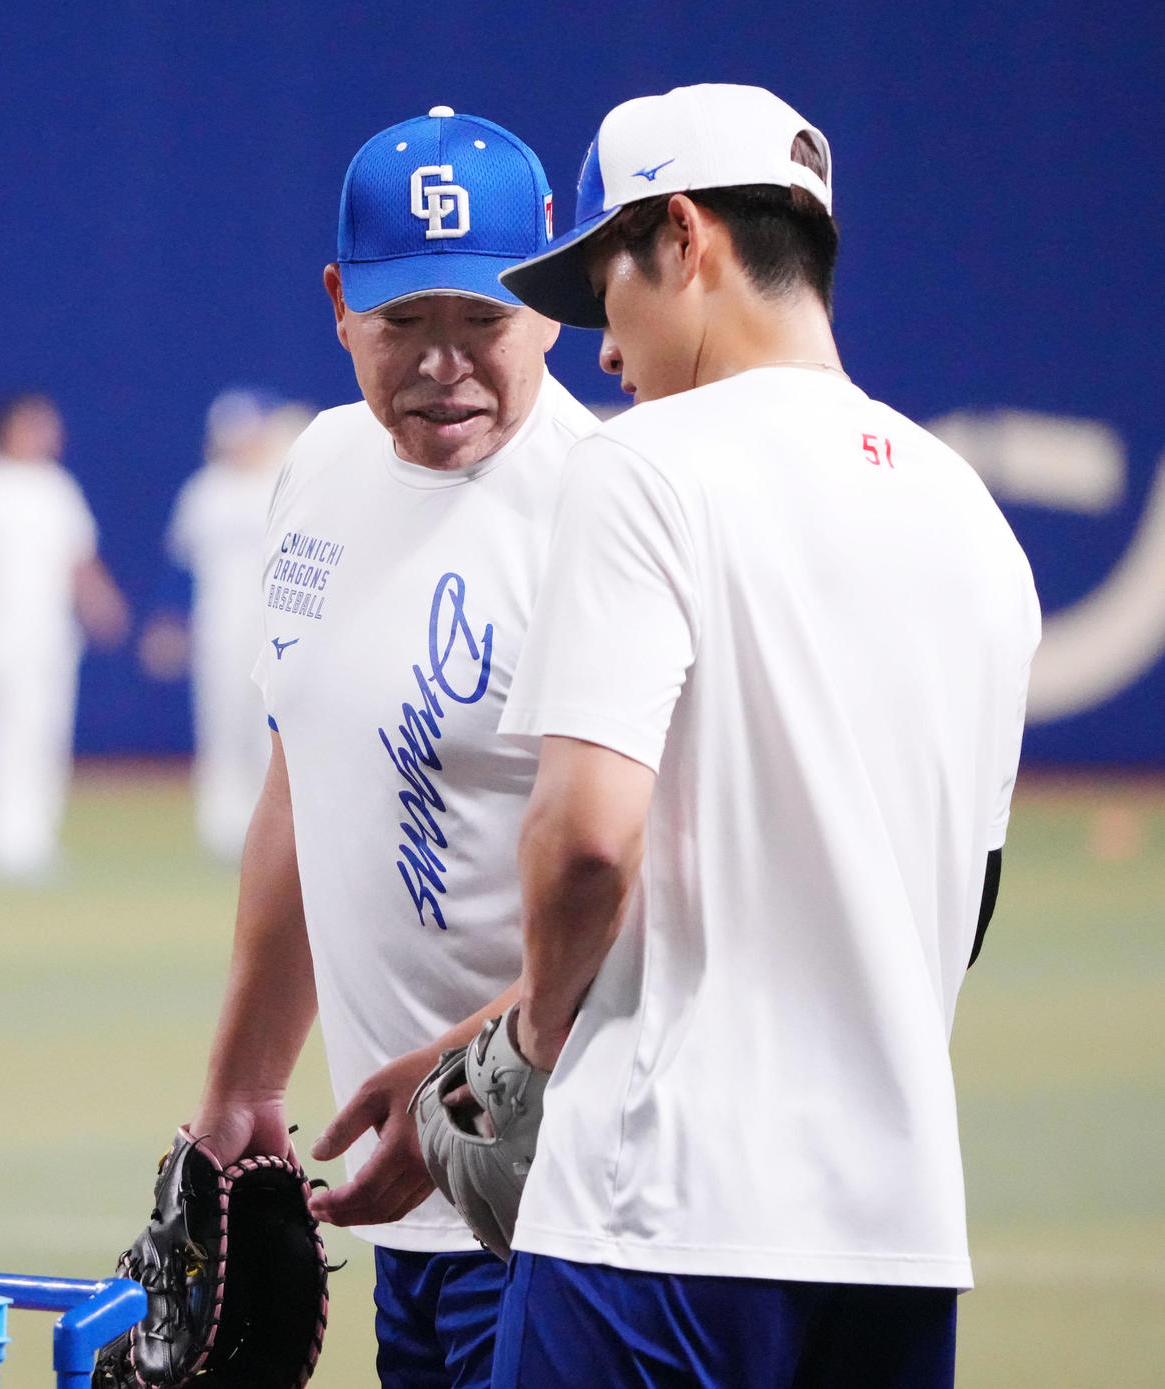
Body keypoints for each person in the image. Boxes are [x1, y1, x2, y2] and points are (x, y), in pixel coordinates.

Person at [486, 84, 1042, 1387]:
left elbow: (586, 842)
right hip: (897, 1234)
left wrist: (527, 1052)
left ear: (684, 237)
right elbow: (971, 899)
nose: (600, 352)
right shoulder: (971, 516)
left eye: (604, 290)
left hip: (659, 1214)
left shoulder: (643, 466)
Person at [187, 106, 597, 1386]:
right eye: (403, 320)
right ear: (338, 305)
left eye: (482, 319)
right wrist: (243, 1088)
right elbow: (305, 789)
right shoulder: (318, 467)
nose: (442, 363)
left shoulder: (609, 509)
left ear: (550, 305)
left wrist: (464, 1085)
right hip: (399, 1205)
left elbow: (649, 886)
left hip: (563, 1206)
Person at [0, 393, 129, 881]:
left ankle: (36, 839)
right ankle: (1, 842)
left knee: (46, 735)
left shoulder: (56, 487)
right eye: (37, 425)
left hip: (49, 636)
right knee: (2, 737)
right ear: (9, 428)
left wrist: (101, 604)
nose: (49, 434)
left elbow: (78, 559)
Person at [140, 389, 313, 863]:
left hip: (276, 626)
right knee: (221, 723)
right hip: (217, 626)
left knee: (269, 728)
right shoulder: (206, 492)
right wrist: (169, 623)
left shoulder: (282, 484)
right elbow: (180, 566)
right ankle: (222, 828)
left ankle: (268, 828)